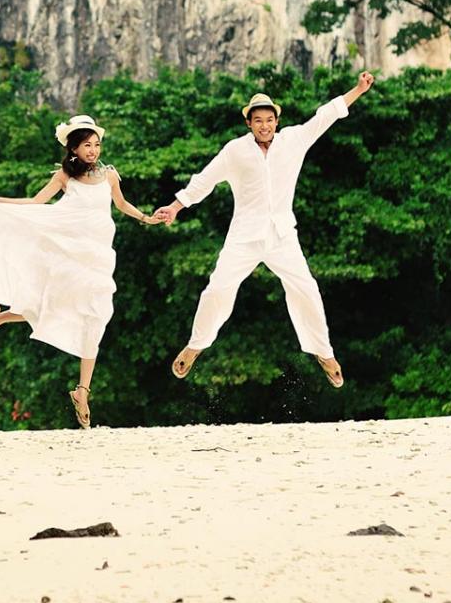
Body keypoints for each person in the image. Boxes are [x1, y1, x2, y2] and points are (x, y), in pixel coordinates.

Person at [0, 114, 164, 428]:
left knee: (97, 314)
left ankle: (83, 390)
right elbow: (35, 202)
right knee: (54, 306)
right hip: (66, 251)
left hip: (98, 255)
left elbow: (123, 205)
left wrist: (148, 218)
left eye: (96, 145)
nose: (93, 150)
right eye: (87, 145)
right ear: (73, 148)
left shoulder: (109, 175)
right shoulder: (64, 176)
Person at [150, 72, 375, 387]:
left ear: (277, 121)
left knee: (306, 289)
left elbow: (326, 115)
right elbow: (205, 179)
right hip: (244, 235)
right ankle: (196, 344)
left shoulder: (293, 140)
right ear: (249, 124)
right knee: (217, 289)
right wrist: (176, 206)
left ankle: (324, 353)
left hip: (282, 234)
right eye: (258, 120)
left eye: (269, 120)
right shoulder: (235, 150)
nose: (264, 125)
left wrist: (359, 89)